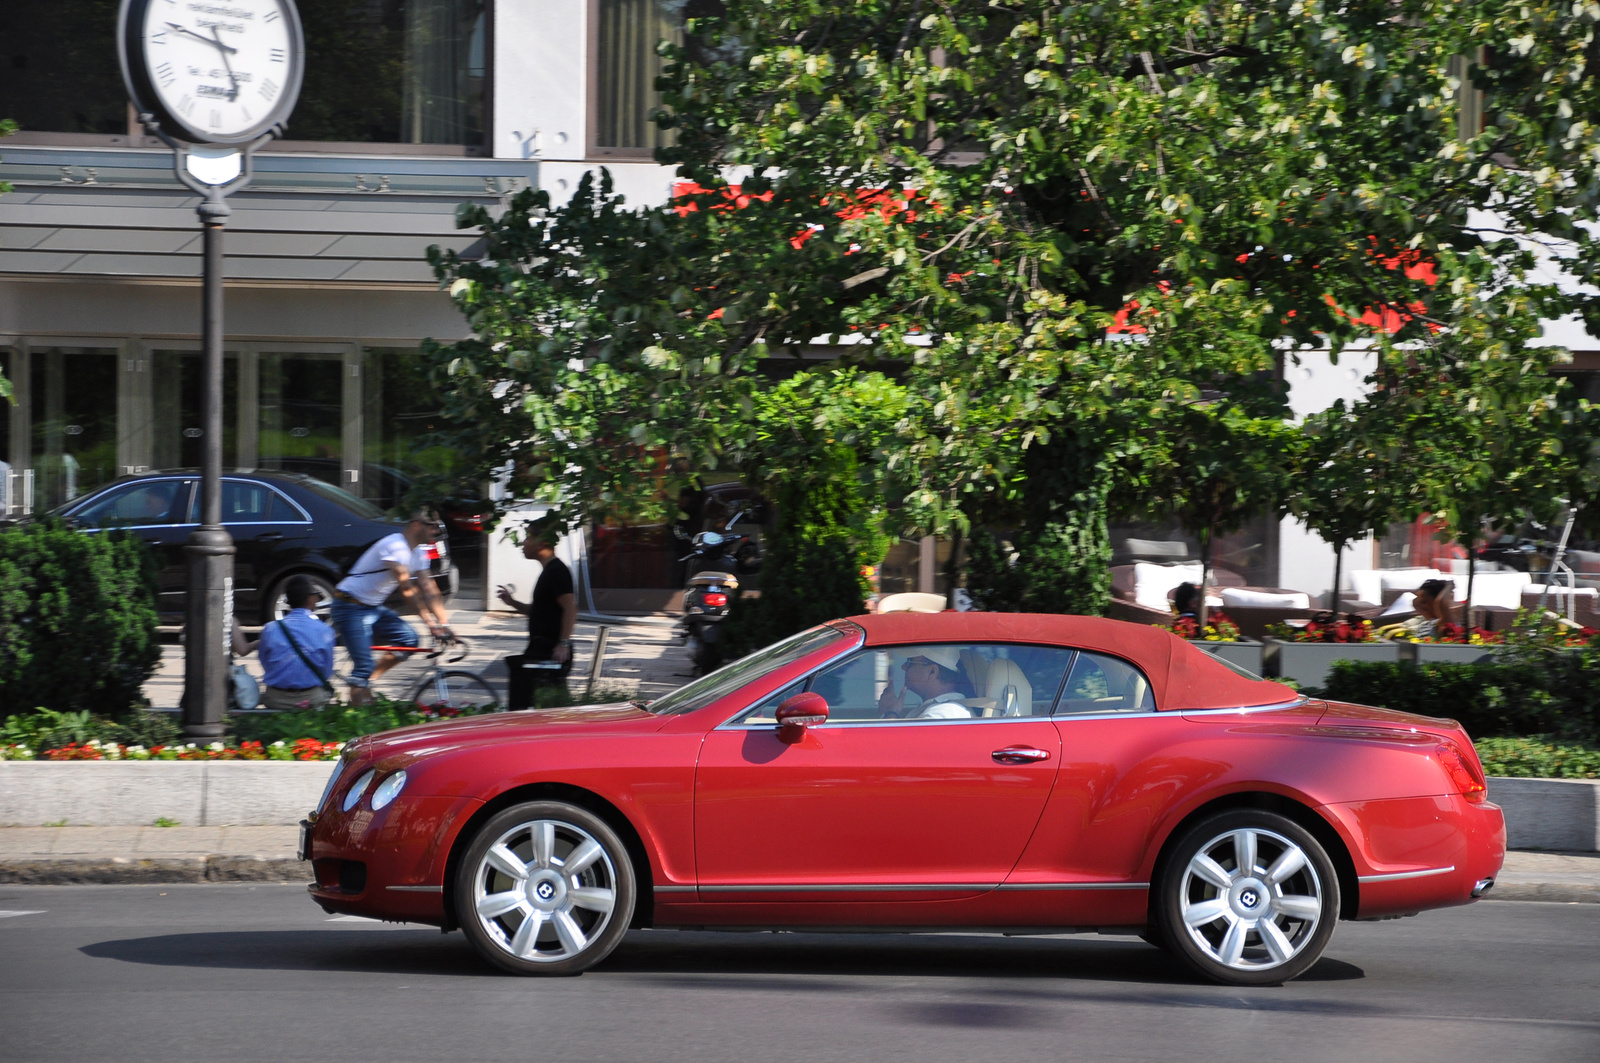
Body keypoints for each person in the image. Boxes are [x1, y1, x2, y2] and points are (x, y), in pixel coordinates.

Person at [331, 509, 453, 705]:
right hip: (349, 606)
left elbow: (429, 588)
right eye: (432, 526)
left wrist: (444, 624)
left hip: (372, 607)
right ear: (416, 524)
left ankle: (369, 682)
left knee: (408, 639)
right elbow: (407, 589)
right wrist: (431, 624)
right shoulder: (395, 546)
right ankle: (355, 721)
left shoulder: (418, 552)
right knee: (362, 667)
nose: (436, 531)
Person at [497, 511, 577, 710]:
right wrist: (512, 602)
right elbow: (540, 611)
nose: (524, 542)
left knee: (530, 708)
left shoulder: (557, 571)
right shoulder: (549, 572)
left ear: (543, 543)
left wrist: (563, 643)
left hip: (549, 652)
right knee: (536, 707)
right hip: (541, 651)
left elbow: (570, 607)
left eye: (529, 537)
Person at [254, 575, 337, 710]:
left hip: (276, 698)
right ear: (310, 599)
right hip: (311, 698)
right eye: (316, 595)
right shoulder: (324, 630)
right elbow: (327, 671)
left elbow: (264, 660)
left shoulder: (270, 629)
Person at [876, 646, 974, 719]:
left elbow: (899, 746)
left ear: (932, 672)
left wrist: (890, 712)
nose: (904, 666)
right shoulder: (940, 709)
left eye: (910, 662)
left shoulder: (942, 714)